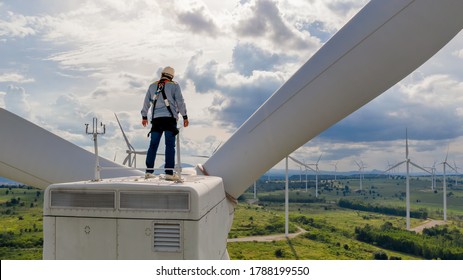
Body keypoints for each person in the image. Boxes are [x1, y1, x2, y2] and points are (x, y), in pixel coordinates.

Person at [141, 66, 189, 180]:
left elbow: (146, 102)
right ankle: (169, 173)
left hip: (156, 120)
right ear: (171, 76)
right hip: (169, 120)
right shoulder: (174, 85)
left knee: (153, 145)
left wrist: (144, 116)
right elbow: (180, 101)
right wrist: (185, 116)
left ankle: (148, 171)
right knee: (169, 145)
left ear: (162, 74)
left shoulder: (152, 86)